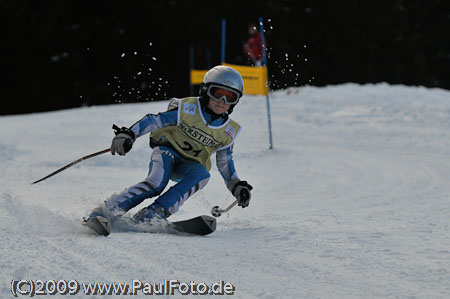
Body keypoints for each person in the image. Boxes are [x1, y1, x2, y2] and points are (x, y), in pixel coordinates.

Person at [84, 65, 253, 233]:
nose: (222, 102)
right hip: (167, 152)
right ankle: (105, 211)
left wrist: (236, 186)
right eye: (217, 94)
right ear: (205, 91)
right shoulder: (188, 109)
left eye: (229, 97)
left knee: (202, 175)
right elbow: (154, 121)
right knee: (157, 183)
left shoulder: (229, 131)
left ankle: (153, 214)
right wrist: (129, 134)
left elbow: (225, 163)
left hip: (190, 164)